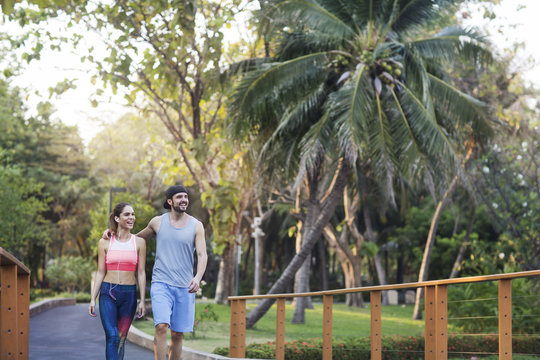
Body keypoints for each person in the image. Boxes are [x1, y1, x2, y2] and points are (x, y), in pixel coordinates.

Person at [103, 185, 207, 360]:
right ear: (170, 201)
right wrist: (113, 233)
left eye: (185, 196)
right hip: (161, 284)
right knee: (161, 327)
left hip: (185, 286)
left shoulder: (196, 226)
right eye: (179, 197)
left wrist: (197, 278)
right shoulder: (157, 222)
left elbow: (202, 254)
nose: (184, 200)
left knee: (177, 334)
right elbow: (135, 238)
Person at [89, 202, 146, 360]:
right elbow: (101, 272)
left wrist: (142, 300)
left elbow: (141, 273)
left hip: (129, 295)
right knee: (113, 336)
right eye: (127, 214)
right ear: (117, 218)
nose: (131, 217)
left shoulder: (139, 242)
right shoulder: (105, 242)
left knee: (121, 339)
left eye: (133, 214)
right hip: (108, 293)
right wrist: (93, 298)